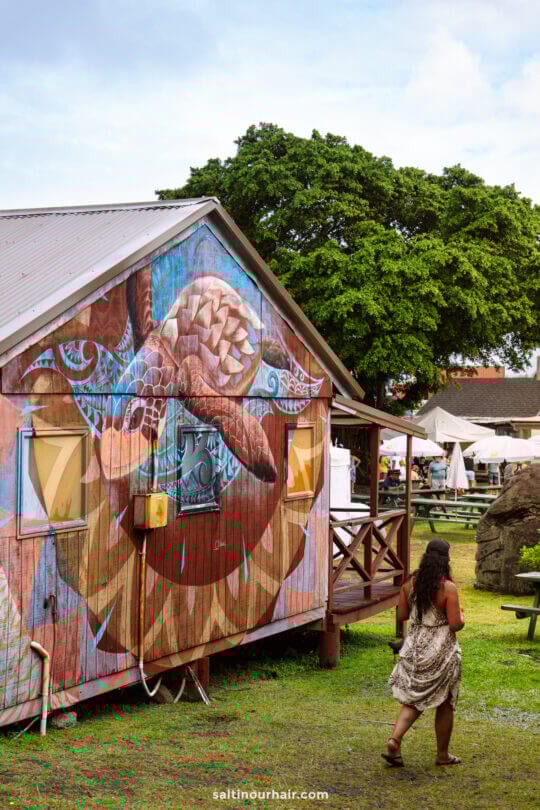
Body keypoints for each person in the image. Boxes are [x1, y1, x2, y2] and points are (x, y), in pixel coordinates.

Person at [382, 538, 464, 768]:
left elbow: (401, 616)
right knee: (445, 702)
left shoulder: (410, 584)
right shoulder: (447, 587)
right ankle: (442, 755)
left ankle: (394, 740)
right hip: (441, 649)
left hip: (414, 648)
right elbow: (455, 624)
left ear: (426, 556)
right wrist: (462, 617)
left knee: (413, 698)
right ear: (446, 560)